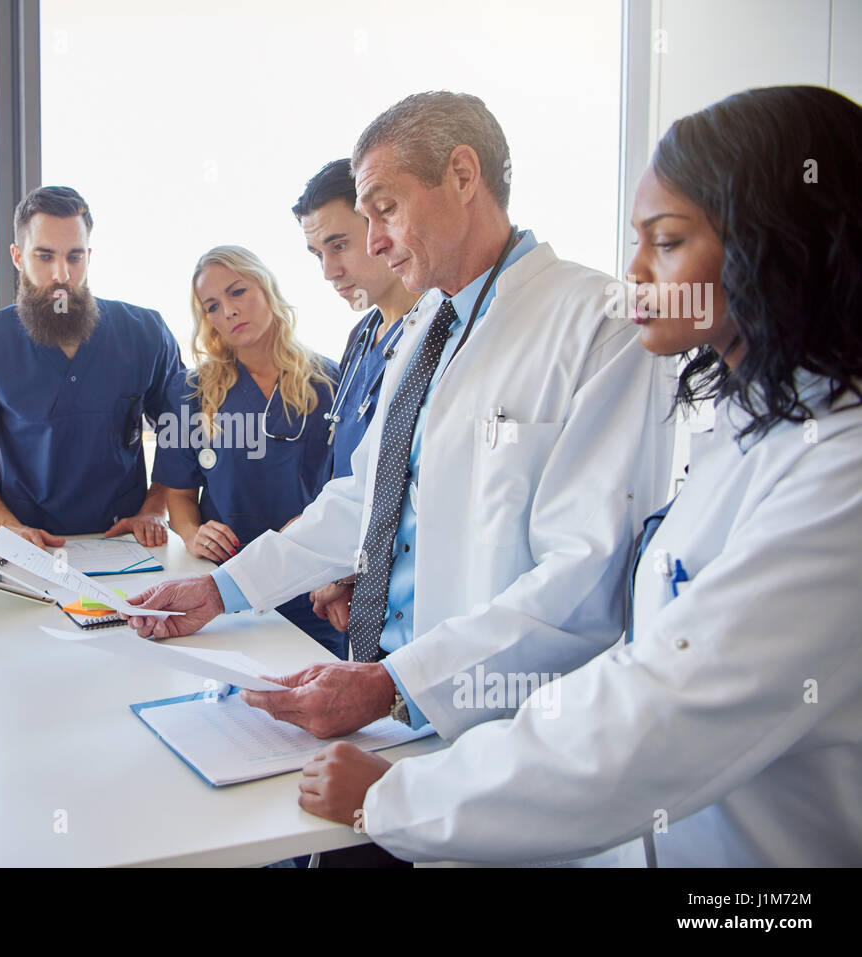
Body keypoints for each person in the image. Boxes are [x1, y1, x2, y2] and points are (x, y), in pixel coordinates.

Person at [295, 85, 862, 866]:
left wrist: (397, 795)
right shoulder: (749, 429)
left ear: (778, 245)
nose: (634, 273)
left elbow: (664, 708)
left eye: (666, 241)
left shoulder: (840, 473)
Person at [127, 92, 674, 752]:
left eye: (385, 208)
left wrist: (398, 683)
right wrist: (221, 590)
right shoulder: (420, 334)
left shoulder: (597, 323)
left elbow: (585, 576)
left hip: (495, 727)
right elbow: (363, 499)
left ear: (463, 176)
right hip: (380, 699)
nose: (375, 240)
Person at [0, 186, 181, 548]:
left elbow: (179, 431)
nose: (61, 274)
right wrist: (5, 528)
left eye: (75, 257)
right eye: (44, 256)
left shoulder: (145, 332)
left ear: (89, 257)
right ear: (18, 257)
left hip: (124, 541)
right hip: (25, 544)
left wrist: (156, 507)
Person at [151, 245, 346, 658]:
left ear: (267, 287)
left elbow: (349, 488)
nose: (229, 312)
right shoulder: (189, 392)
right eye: (213, 306)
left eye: (238, 292)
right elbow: (178, 495)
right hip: (223, 586)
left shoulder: (332, 381)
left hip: (309, 586)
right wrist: (191, 534)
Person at [295, 159, 424, 636]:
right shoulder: (362, 335)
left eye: (339, 245)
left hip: (410, 599)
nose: (330, 270)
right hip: (348, 589)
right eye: (316, 254)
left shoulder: (438, 337)